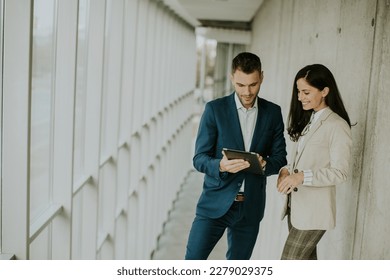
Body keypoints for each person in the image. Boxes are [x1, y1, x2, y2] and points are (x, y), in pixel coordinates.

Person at [185, 52, 287, 260]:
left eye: (253, 84)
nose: (247, 92)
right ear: (232, 78)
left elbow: (280, 158)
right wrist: (220, 166)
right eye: (241, 85)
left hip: (250, 208)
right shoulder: (214, 110)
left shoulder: (273, 113)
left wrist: (264, 164)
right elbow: (199, 158)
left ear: (262, 77)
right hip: (214, 203)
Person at [277, 64, 352, 260]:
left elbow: (340, 172)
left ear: (325, 91)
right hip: (297, 208)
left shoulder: (337, 125)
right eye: (298, 91)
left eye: (306, 92)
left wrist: (301, 177)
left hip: (314, 213)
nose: (300, 97)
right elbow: (301, 160)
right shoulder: (309, 120)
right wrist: (286, 172)